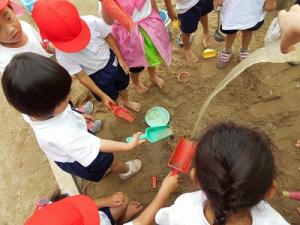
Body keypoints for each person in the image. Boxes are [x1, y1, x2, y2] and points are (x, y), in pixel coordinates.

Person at [2, 53, 145, 182]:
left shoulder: (33, 108)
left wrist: (78, 116)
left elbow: (63, 114)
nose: (68, 98)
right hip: (73, 156)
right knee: (109, 159)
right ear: (41, 110)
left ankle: (105, 168)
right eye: (64, 99)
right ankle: (125, 170)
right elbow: (96, 145)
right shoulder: (63, 135)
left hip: (69, 148)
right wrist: (128, 146)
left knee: (100, 161)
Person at [155, 122, 290, 225]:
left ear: (196, 179)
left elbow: (163, 218)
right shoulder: (275, 221)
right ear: (270, 191)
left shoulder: (184, 208)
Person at [31, 0, 141, 112]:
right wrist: (102, 96)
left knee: (122, 84)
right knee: (110, 96)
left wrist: (121, 58)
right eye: (71, 42)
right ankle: (118, 107)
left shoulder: (91, 21)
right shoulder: (62, 54)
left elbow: (107, 35)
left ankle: (126, 101)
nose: (78, 45)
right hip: (95, 77)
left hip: (111, 61)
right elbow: (82, 76)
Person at [24, 173, 179, 225]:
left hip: (102, 218)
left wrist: (104, 201)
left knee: (121, 200)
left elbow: (73, 203)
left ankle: (121, 219)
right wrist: (163, 192)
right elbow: (141, 222)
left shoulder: (47, 210)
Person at [100, 0, 171, 94]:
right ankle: (136, 82)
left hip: (149, 26)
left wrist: (157, 16)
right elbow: (109, 22)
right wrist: (105, 3)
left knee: (153, 55)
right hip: (128, 35)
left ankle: (153, 75)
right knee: (136, 66)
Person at [215, 0, 276, 68]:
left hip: (253, 9)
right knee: (231, 32)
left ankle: (244, 50)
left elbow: (270, 5)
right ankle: (227, 50)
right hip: (232, 9)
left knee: (248, 31)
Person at [0, 0, 50, 73]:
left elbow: (40, 43)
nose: (11, 30)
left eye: (8, 18)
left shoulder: (24, 25)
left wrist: (47, 47)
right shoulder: (7, 63)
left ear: (12, 9)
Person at [164, 0, 213, 64]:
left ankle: (205, 32)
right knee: (186, 30)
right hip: (185, 7)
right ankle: (186, 48)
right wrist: (170, 10)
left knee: (203, 13)